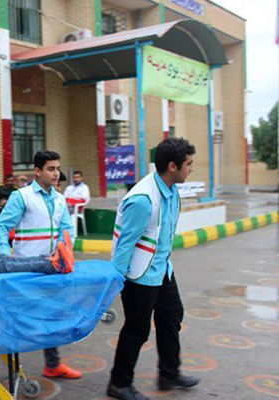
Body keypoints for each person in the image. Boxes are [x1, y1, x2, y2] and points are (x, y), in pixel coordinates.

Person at [107, 138, 198, 400]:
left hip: (162, 270)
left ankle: (169, 373)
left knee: (172, 317)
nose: (191, 168)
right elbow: (124, 245)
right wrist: (116, 282)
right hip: (140, 275)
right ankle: (119, 384)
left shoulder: (171, 190)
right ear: (172, 166)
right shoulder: (143, 199)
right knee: (137, 330)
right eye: (188, 164)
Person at [0, 150, 82, 379]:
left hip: (52, 267)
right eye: (50, 168)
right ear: (38, 171)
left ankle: (52, 365)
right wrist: (5, 256)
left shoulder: (60, 199)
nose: (56, 173)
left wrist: (65, 250)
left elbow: (67, 230)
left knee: (51, 315)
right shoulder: (22, 197)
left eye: (58, 168)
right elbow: (1, 227)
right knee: (15, 315)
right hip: (24, 267)